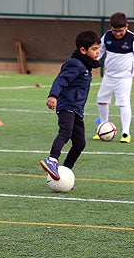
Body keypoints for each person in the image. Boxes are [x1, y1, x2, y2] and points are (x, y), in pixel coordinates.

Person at [41, 30, 102, 182]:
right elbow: (60, 79)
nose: (98, 52)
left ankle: (65, 171)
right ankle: (52, 159)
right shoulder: (75, 64)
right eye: (94, 49)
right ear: (83, 50)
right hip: (67, 105)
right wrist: (53, 95)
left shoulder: (86, 66)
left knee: (80, 143)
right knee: (65, 132)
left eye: (98, 48)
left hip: (77, 109)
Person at [93, 12, 134, 144]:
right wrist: (90, 63)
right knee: (101, 100)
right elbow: (99, 52)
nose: (117, 34)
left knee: (123, 103)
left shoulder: (133, 39)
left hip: (124, 78)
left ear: (126, 26)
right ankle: (103, 127)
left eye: (121, 31)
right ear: (111, 27)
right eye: (115, 30)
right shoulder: (106, 36)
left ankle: (125, 133)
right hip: (109, 76)